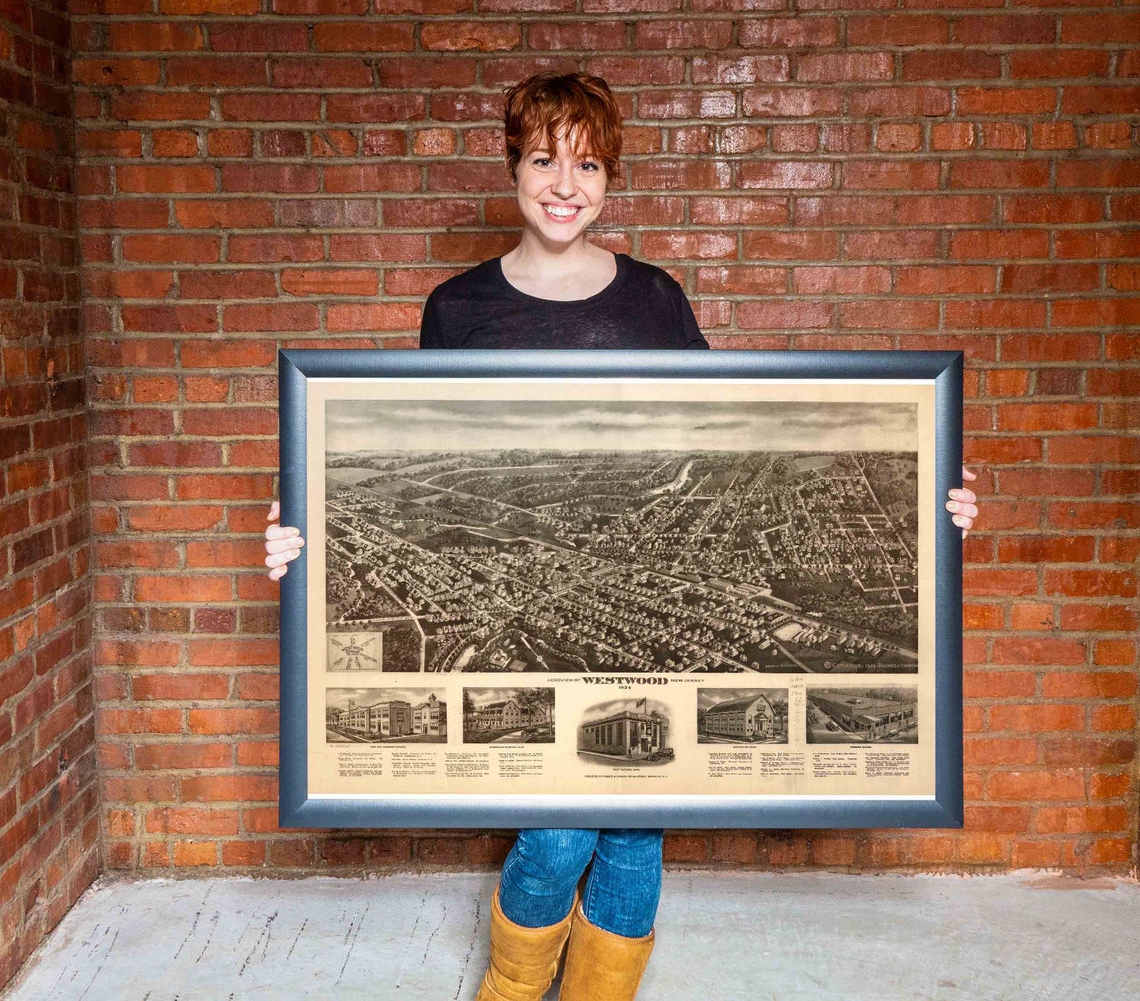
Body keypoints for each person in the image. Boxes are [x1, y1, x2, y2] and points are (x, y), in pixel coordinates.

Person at [264, 72, 979, 1000]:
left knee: (638, 823)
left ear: (611, 178)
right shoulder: (459, 308)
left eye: (588, 163)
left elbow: (744, 433)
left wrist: (930, 484)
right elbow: (399, 438)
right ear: (513, 167)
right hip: (532, 574)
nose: (566, 184)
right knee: (557, 829)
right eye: (544, 159)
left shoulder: (654, 299)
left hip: (641, 571)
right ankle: (513, 990)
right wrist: (300, 522)